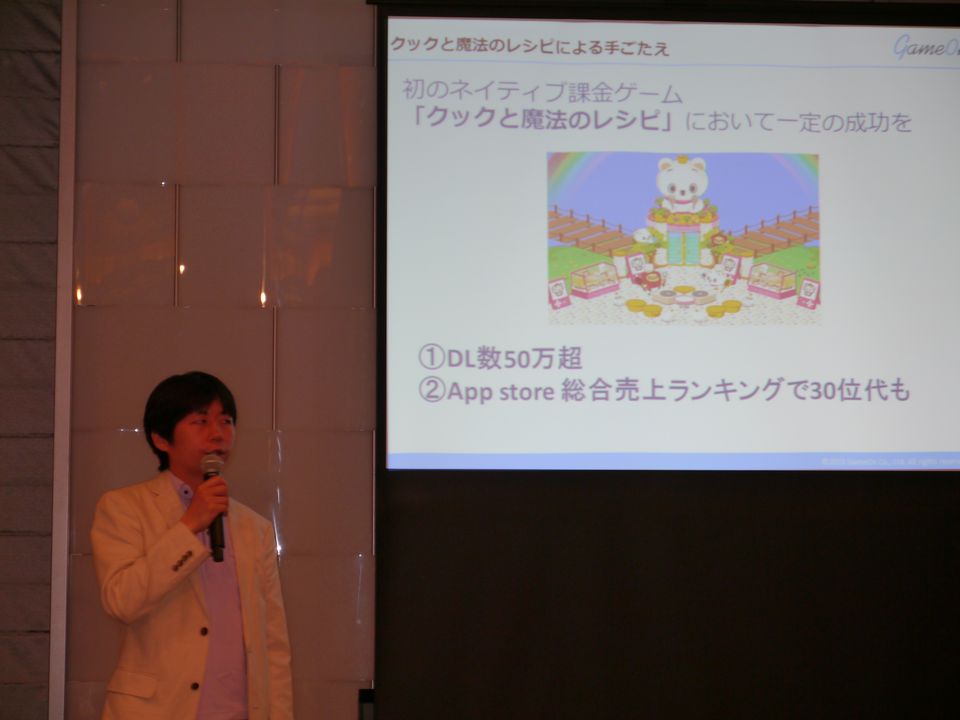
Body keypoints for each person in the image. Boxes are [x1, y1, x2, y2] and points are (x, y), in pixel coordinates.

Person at [90, 371, 294, 719]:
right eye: (200, 421)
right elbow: (122, 600)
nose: (218, 433)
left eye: (226, 421)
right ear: (161, 438)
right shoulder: (124, 507)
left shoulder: (254, 528)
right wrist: (190, 526)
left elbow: (273, 643)